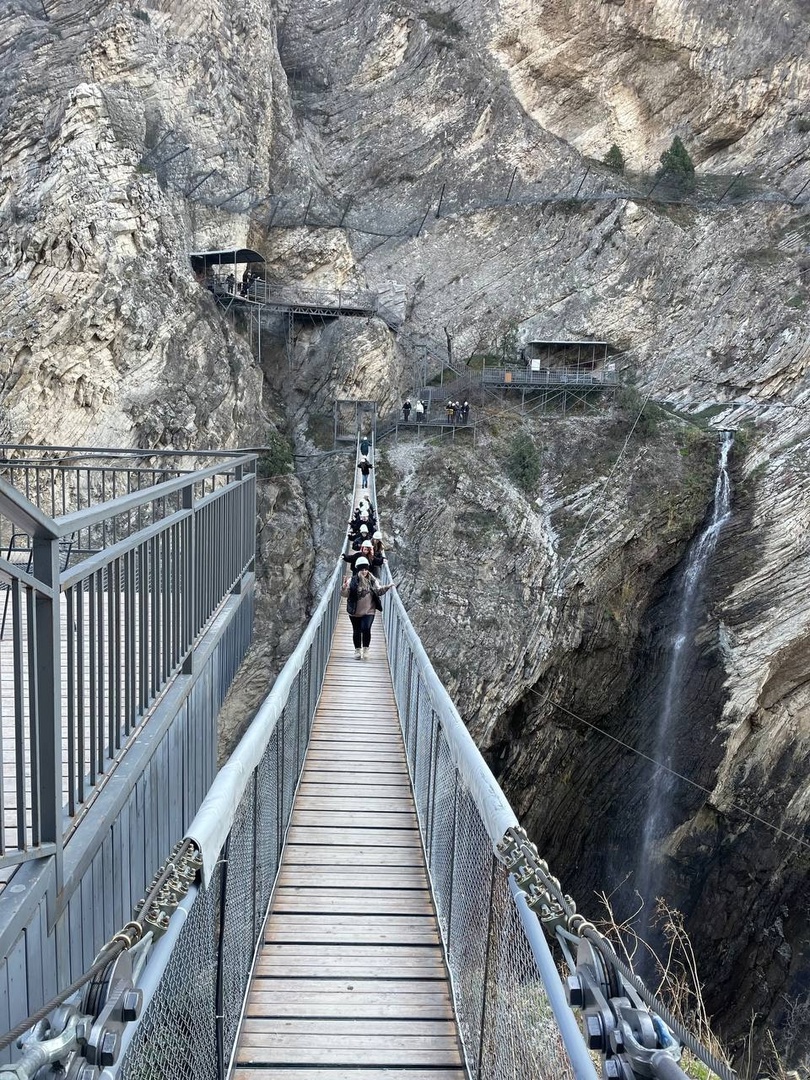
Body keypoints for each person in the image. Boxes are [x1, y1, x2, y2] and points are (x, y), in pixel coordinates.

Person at [341, 558, 396, 659]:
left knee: (366, 628)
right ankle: (357, 650)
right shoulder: (352, 580)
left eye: (366, 569)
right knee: (356, 630)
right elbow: (345, 594)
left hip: (369, 610)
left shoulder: (372, 580)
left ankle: (366, 649)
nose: (364, 571)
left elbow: (378, 590)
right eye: (362, 569)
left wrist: (387, 587)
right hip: (355, 610)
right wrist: (344, 587)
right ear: (358, 570)